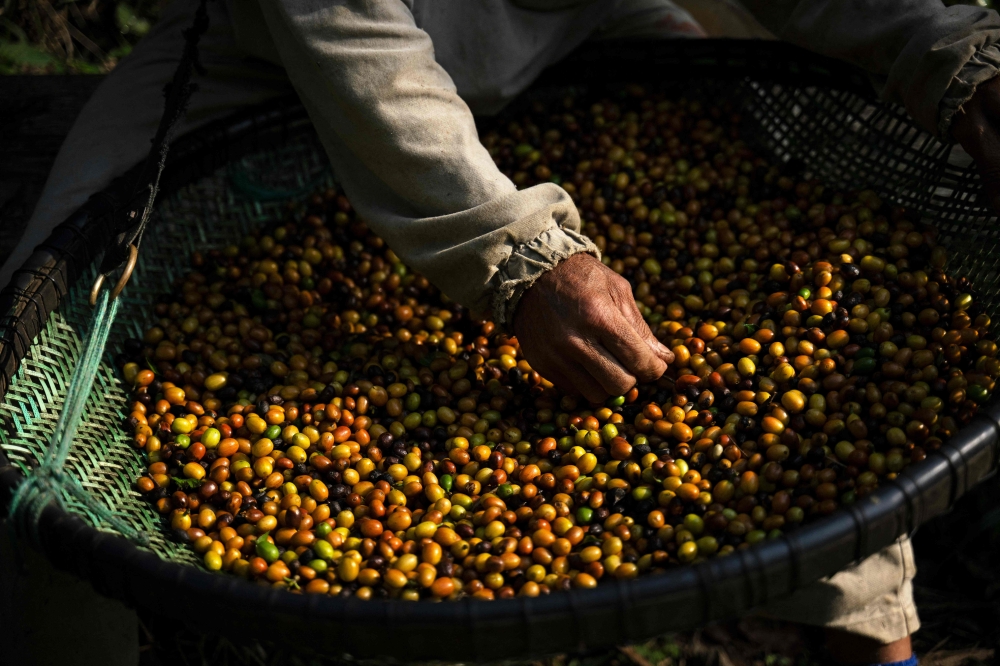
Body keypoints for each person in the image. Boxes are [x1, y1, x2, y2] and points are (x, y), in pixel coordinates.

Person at [3, 1, 1000, 664]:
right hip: (279, 56)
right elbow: (344, 33)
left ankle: (865, 642)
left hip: (586, 29)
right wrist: (518, 256)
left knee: (786, 367)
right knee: (33, 412)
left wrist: (947, 47)